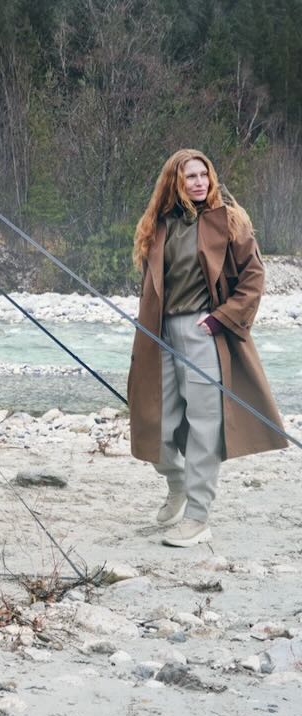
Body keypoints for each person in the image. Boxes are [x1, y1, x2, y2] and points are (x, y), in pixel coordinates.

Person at [127, 149, 285, 548]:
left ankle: (197, 518)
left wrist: (221, 318)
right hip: (160, 335)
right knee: (154, 423)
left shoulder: (229, 220)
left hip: (206, 332)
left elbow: (254, 277)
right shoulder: (158, 224)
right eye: (190, 176)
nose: (199, 182)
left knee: (204, 427)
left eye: (204, 175)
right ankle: (177, 482)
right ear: (174, 182)